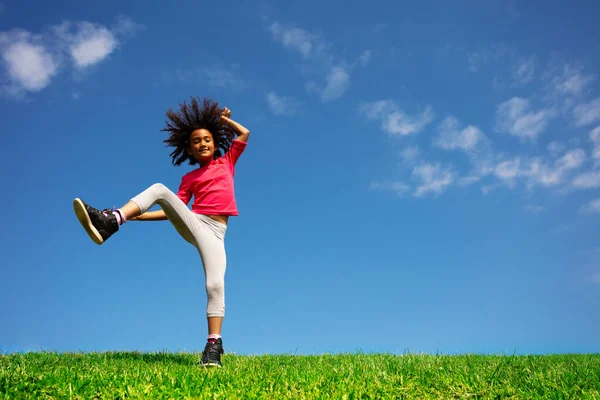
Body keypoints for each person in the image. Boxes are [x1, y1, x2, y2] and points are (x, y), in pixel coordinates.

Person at [73, 97, 250, 368]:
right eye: (196, 141)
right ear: (189, 150)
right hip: (194, 221)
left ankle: (213, 346)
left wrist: (222, 120)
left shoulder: (226, 163)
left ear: (215, 143)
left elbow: (244, 133)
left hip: (215, 233)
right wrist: (136, 216)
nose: (202, 143)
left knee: (215, 285)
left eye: (207, 139)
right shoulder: (189, 179)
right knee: (158, 189)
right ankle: (113, 219)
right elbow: (172, 209)